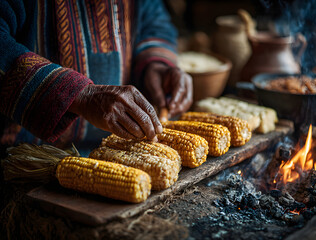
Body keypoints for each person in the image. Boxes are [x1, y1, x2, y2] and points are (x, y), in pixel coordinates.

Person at [0, 0, 193, 155]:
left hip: (117, 150)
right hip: (28, 157)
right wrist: (81, 95)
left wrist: (156, 63)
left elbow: (154, 21)